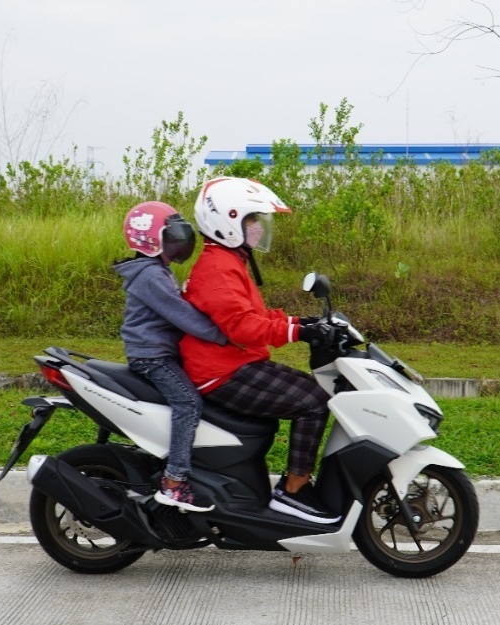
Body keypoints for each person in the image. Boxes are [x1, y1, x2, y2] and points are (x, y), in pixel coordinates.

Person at [179, 177, 341, 524]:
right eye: (252, 220)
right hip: (222, 373)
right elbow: (243, 327)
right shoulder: (217, 270)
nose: (258, 228)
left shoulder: (226, 262)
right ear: (228, 222)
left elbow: (253, 316)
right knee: (313, 400)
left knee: (310, 393)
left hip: (235, 363)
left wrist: (302, 321)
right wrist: (297, 331)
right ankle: (294, 491)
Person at [115, 200, 229, 513]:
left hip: (159, 352)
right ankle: (174, 482)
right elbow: (183, 316)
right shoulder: (150, 276)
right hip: (151, 357)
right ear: (152, 241)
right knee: (188, 402)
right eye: (173, 237)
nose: (181, 242)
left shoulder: (155, 271)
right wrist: (226, 335)